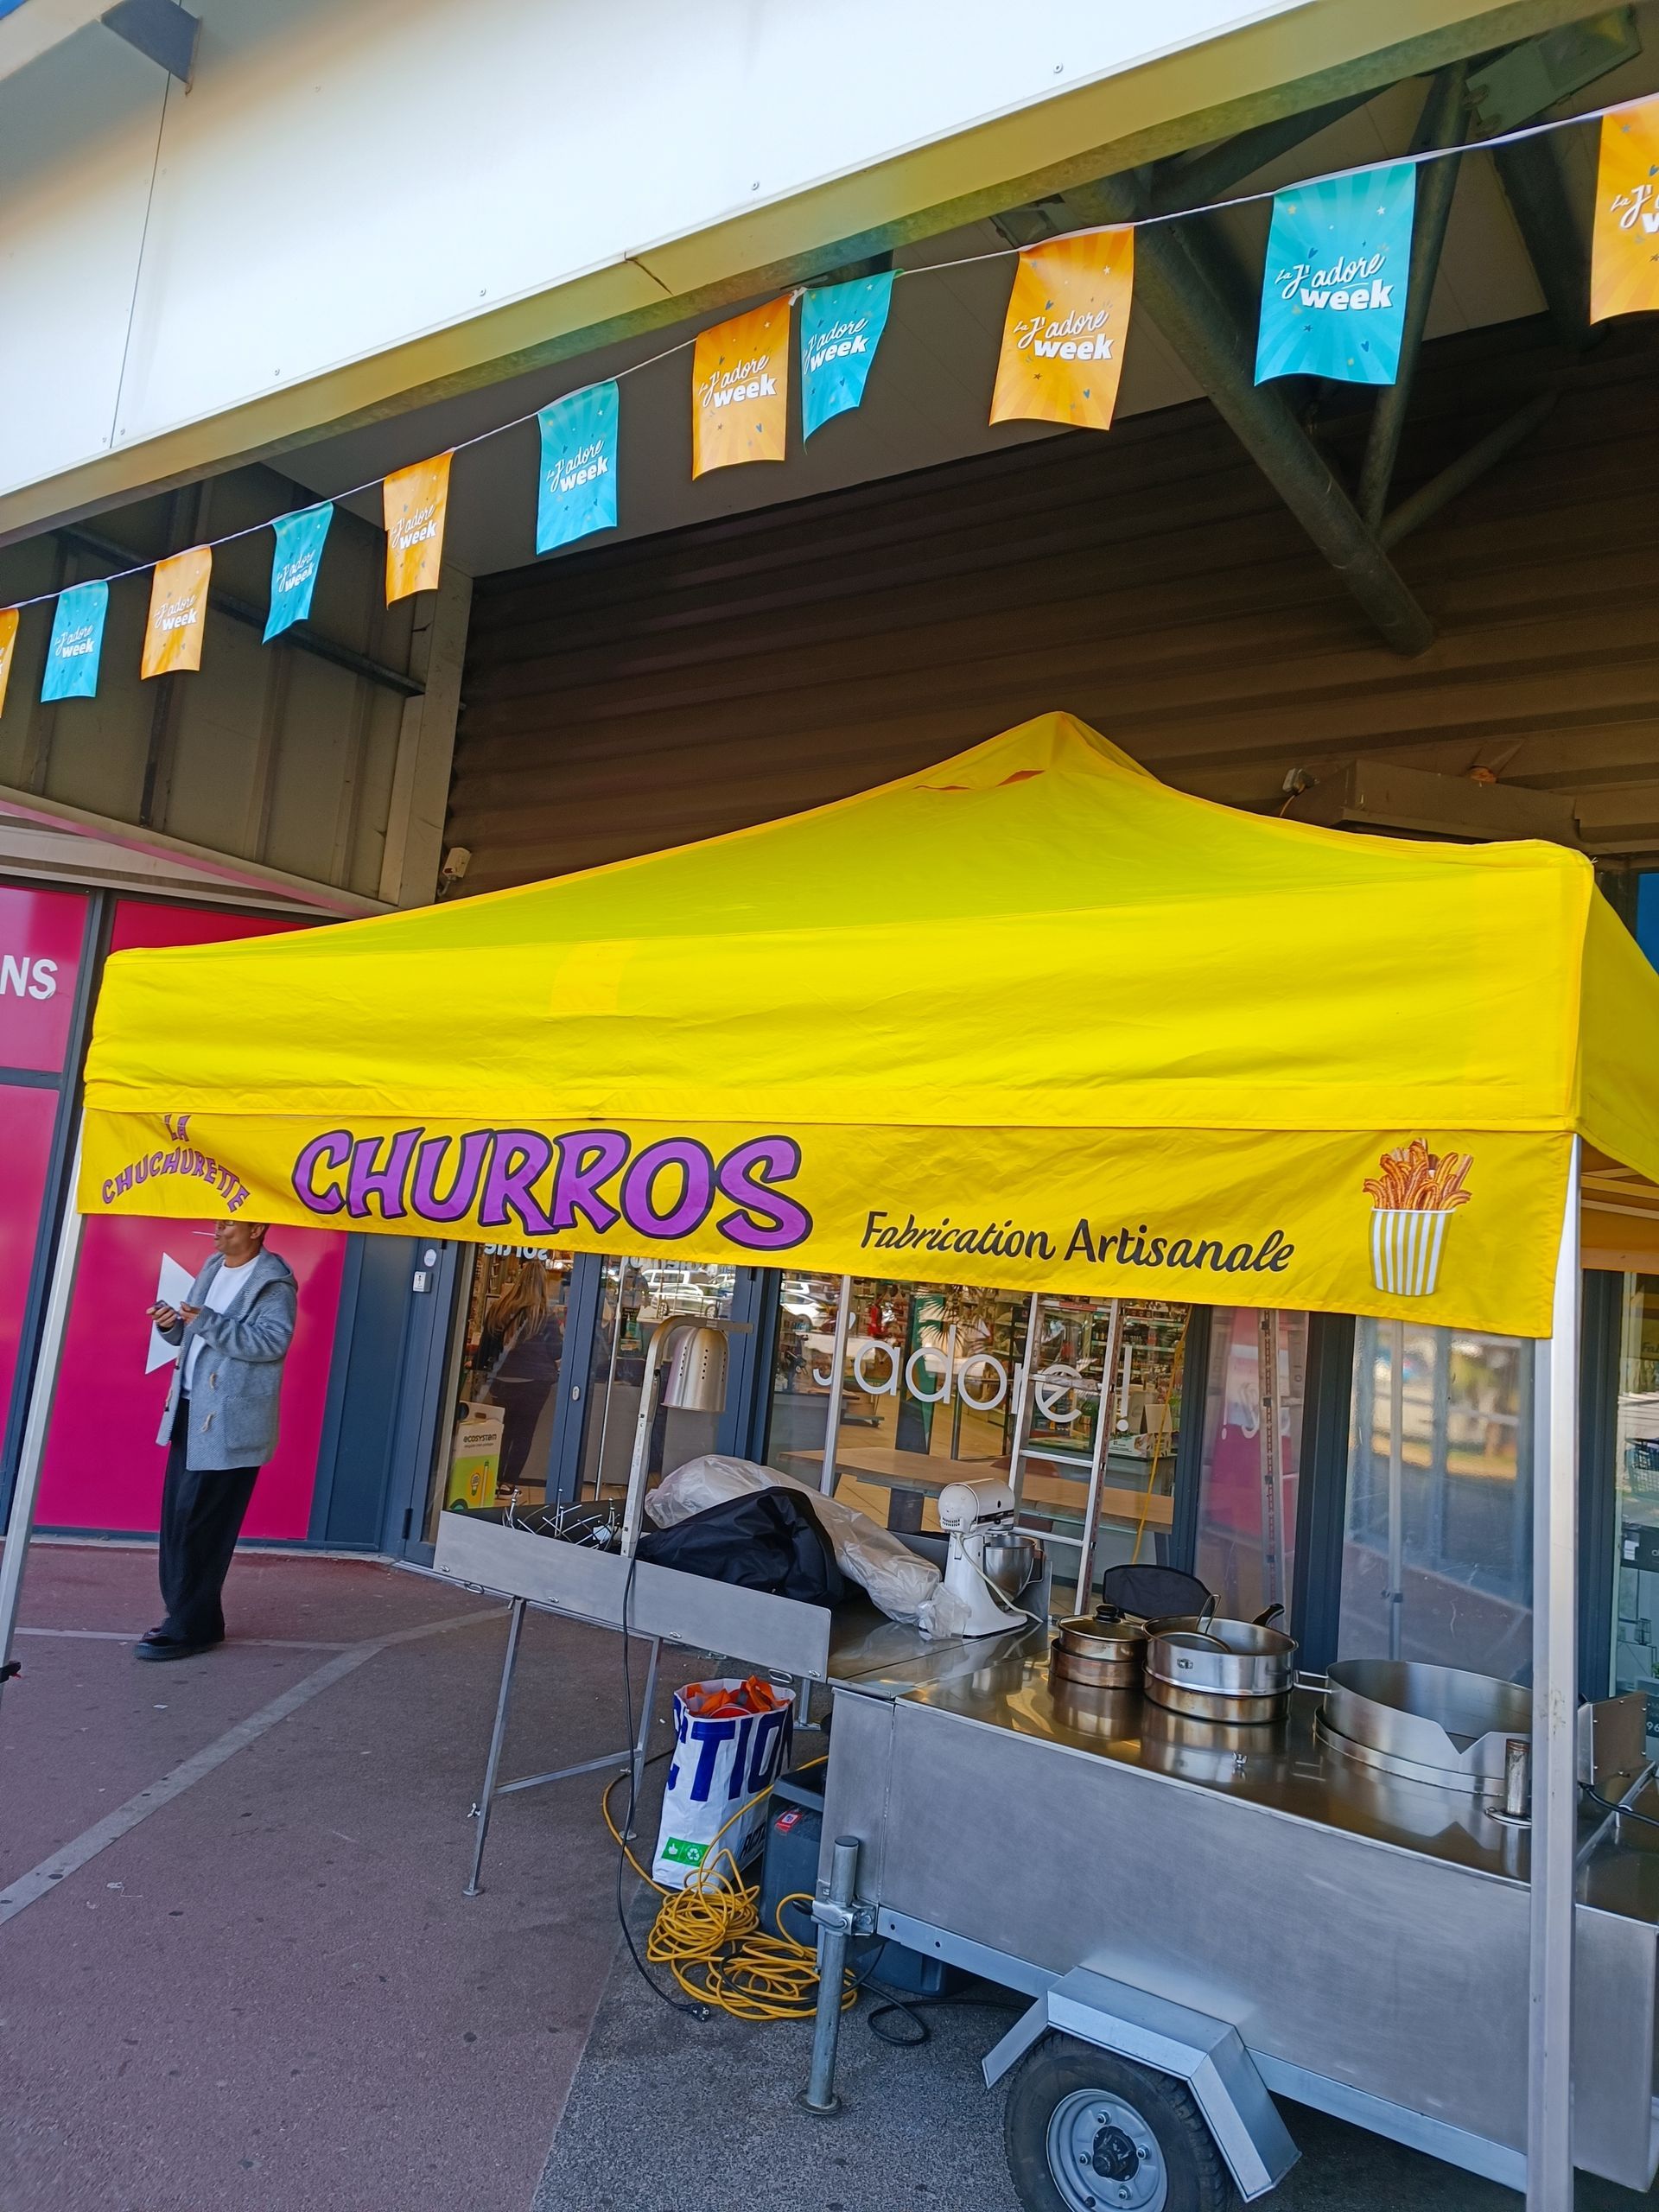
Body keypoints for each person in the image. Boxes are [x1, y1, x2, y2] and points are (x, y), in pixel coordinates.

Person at [140, 1218, 297, 1662]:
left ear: (257, 1230)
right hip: (190, 1411)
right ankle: (191, 1616)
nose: (218, 1229)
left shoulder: (273, 1284)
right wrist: (171, 1326)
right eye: (219, 1221)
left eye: (230, 1224)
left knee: (201, 1524)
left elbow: (272, 1343)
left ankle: (189, 1625)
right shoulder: (212, 1266)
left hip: (228, 1422)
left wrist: (206, 1321)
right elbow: (193, 1334)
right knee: (177, 1519)